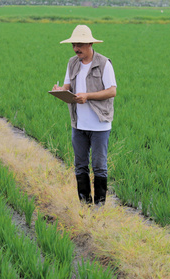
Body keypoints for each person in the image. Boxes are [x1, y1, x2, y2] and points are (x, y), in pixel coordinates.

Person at [52, 25, 117, 206]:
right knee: (80, 165)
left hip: (99, 125)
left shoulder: (104, 63)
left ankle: (99, 207)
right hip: (78, 124)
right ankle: (84, 205)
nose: (75, 49)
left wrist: (88, 96)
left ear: (89, 44)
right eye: (73, 44)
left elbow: (112, 91)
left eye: (79, 45)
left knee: (99, 167)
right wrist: (59, 90)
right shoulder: (72, 63)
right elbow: (68, 86)